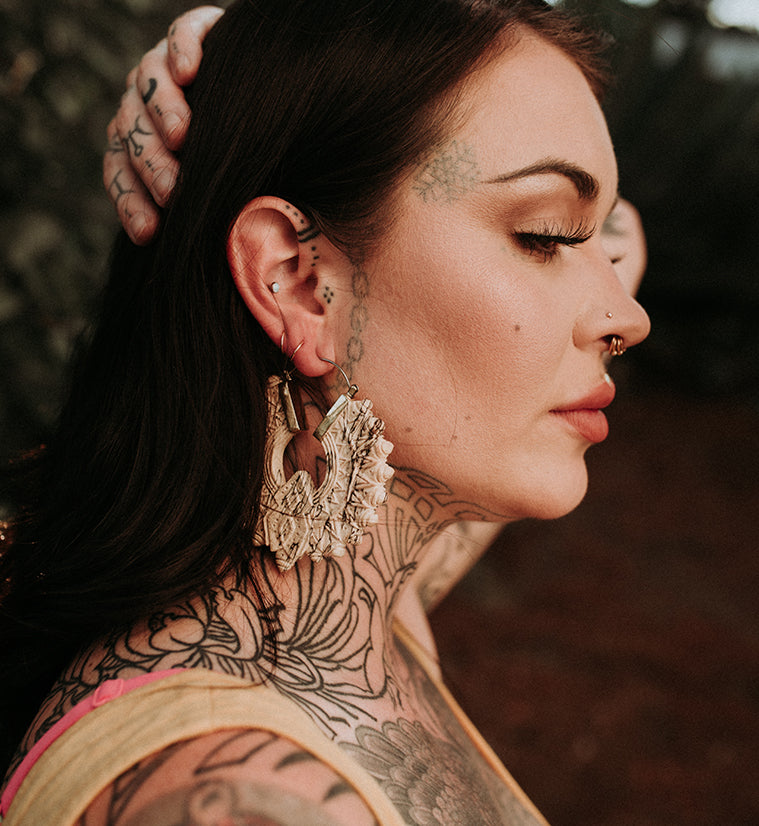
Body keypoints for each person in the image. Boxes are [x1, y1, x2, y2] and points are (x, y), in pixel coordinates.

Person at [0, 1, 651, 824]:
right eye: (545, 236)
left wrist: (263, 64)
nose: (627, 316)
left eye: (582, 238)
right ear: (302, 283)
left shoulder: (363, 611)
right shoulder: (244, 804)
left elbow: (617, 230)